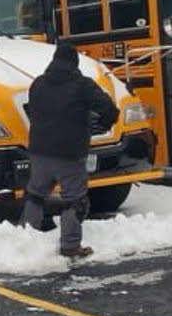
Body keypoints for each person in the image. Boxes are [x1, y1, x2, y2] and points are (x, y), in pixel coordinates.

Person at [20, 40, 119, 258]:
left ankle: (24, 242)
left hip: (39, 150)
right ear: (75, 63)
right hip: (69, 153)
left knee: (35, 195)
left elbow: (32, 109)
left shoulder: (38, 83)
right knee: (74, 200)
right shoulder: (83, 85)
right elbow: (110, 110)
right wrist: (100, 126)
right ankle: (71, 246)